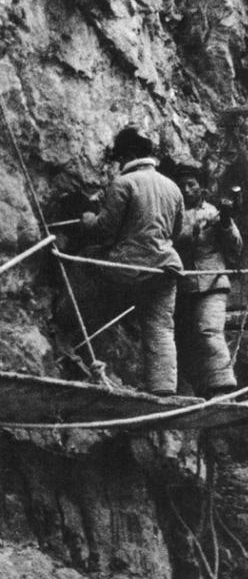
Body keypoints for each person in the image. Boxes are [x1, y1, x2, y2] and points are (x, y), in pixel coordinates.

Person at [76, 127, 184, 395]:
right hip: (166, 266)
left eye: (121, 158)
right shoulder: (173, 187)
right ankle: (163, 388)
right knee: (160, 327)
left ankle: (75, 339)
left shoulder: (124, 183)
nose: (119, 164)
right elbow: (177, 232)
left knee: (85, 264)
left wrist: (88, 219)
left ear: (130, 155)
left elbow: (105, 230)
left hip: (129, 267)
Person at [173, 166, 243, 399]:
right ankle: (203, 390)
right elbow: (168, 241)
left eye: (191, 184)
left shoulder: (213, 211)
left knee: (209, 330)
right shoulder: (172, 213)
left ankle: (224, 389)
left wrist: (226, 222)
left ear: (201, 187)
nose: (186, 189)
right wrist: (193, 229)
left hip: (212, 283)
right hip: (183, 287)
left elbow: (235, 246)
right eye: (181, 185)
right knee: (186, 339)